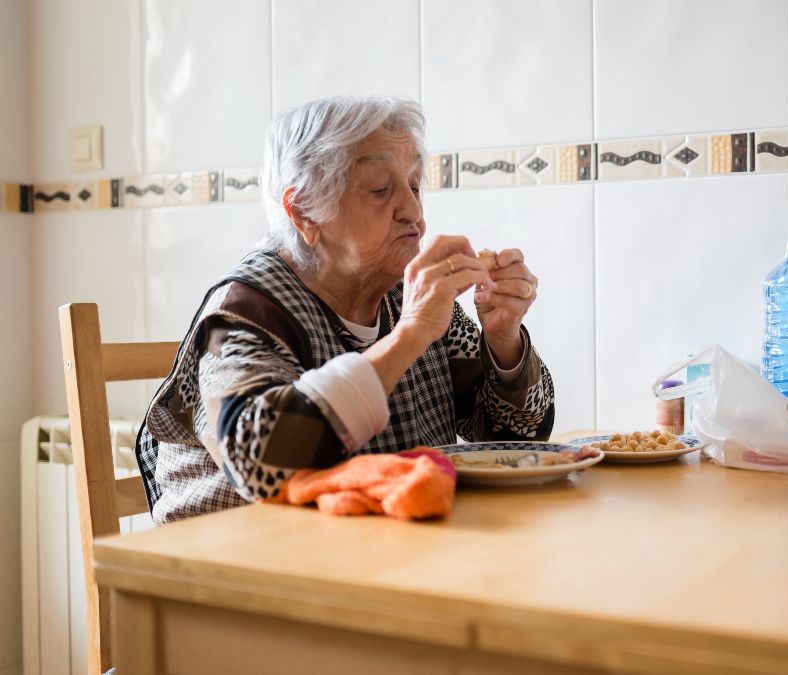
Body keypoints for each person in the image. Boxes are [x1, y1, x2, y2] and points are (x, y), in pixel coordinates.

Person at [136, 95, 554, 523]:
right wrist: (408, 335)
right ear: (304, 212)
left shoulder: (402, 292)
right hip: (240, 567)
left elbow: (516, 437)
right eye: (379, 189)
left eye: (414, 185)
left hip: (380, 551)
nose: (414, 212)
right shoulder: (246, 310)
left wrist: (503, 341)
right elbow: (260, 464)